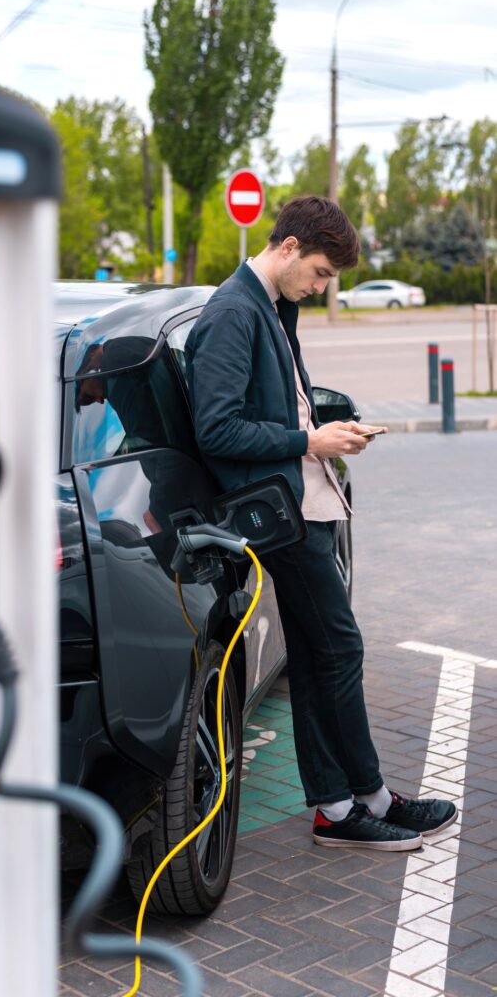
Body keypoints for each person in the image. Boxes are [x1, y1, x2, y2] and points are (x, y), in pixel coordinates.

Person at [185, 196, 457, 850]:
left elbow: (284, 404)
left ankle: (345, 803)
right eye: (319, 273)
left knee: (314, 655)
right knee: (339, 648)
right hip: (279, 511)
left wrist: (326, 434)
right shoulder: (231, 312)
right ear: (286, 247)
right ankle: (357, 801)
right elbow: (214, 427)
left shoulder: (274, 304)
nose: (321, 286)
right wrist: (308, 443)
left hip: (301, 500)